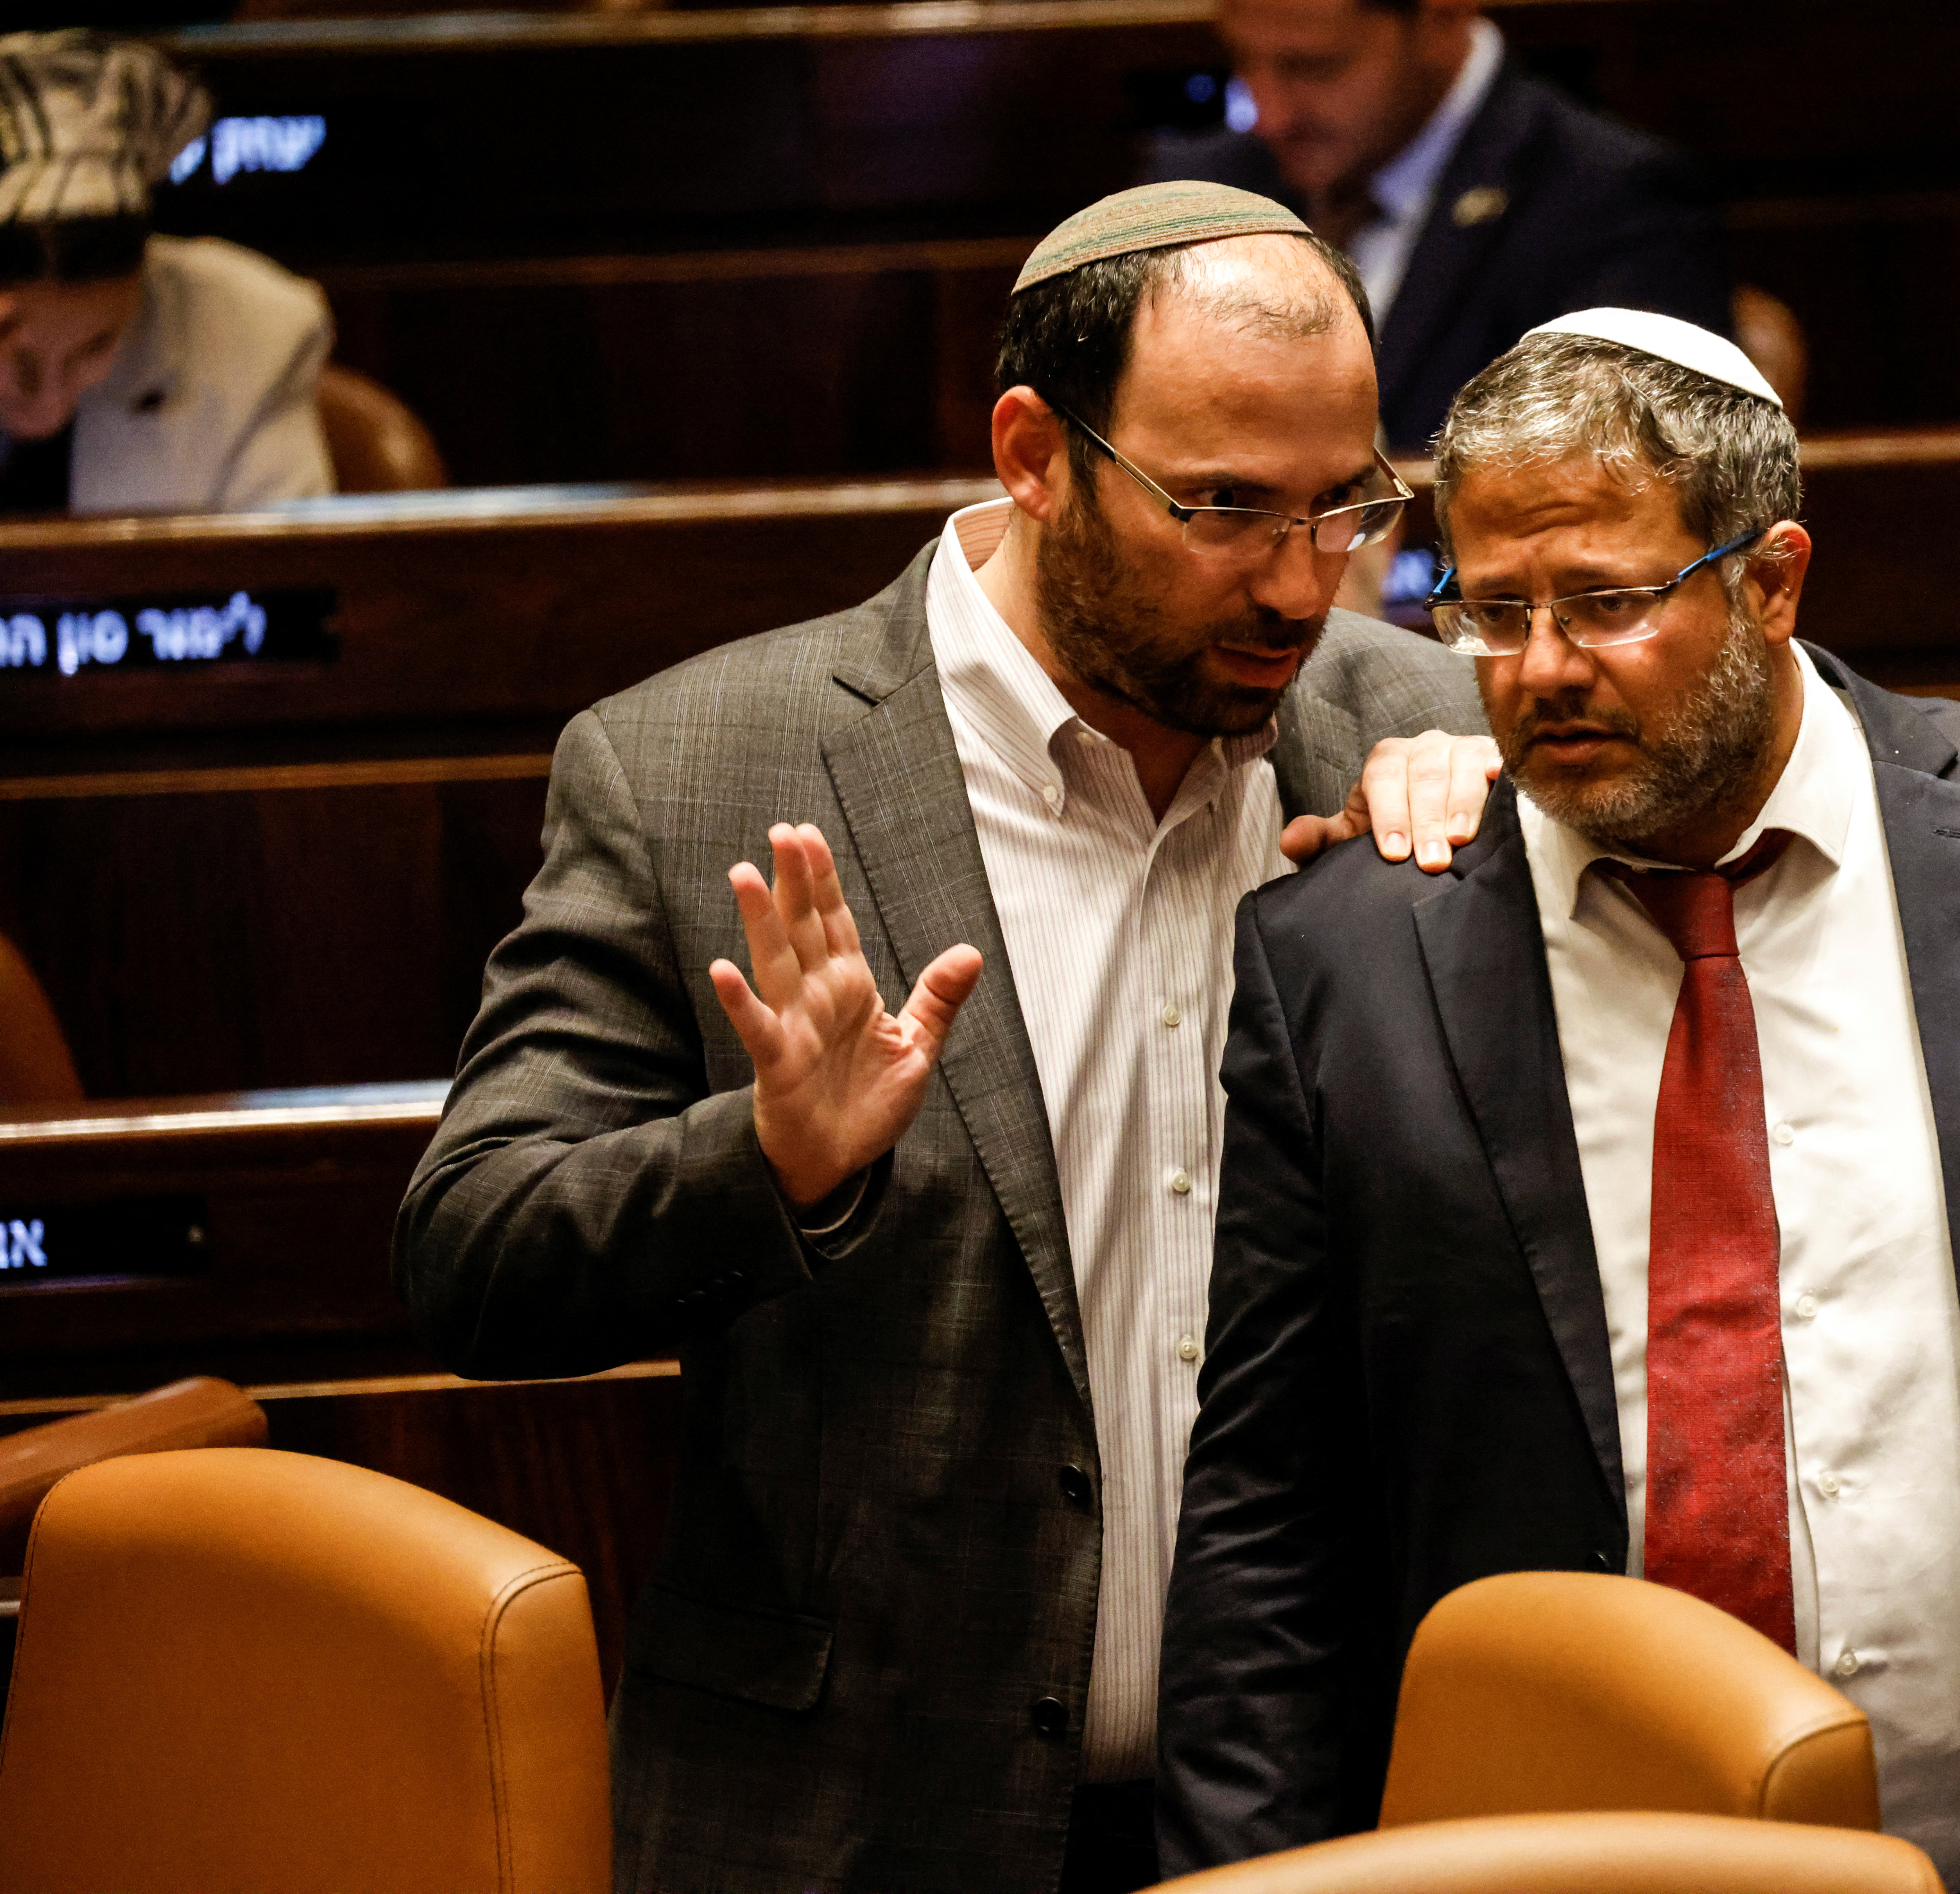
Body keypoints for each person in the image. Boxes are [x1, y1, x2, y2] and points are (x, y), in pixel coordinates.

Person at [1158, 310, 1960, 1894]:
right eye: (1492, 612)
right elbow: (1267, 1519)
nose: (1543, 670)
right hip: (1585, 1864)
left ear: (1773, 579)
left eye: (1606, 600)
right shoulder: (1347, 960)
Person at [396, 183, 1499, 1894]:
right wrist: (766, 1163)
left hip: (1333, 1817)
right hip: (862, 1823)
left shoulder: (1424, 734)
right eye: (1221, 506)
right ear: (1034, 451)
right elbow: (472, 1258)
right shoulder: (697, 765)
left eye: (1342, 507)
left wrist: (1519, 912)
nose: (1299, 585)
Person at [1147, 0, 1730, 452]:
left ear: (1442, 16)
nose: (1269, 115)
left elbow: (1631, 489)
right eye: (1245, 62)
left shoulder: (1612, 202)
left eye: (1313, 68)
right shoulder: (1202, 189)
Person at [0, 33, 333, 516]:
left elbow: (282, 578)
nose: (48, 409)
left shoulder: (252, 333)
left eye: (95, 348)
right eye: (20, 360)